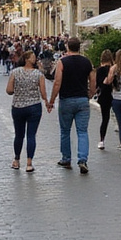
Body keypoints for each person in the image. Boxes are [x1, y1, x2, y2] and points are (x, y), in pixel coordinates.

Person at [47, 37, 95, 173]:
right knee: (82, 131)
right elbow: (93, 80)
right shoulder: (87, 62)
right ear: (79, 47)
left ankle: (66, 159)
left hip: (66, 100)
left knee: (65, 131)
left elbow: (57, 83)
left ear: (67, 47)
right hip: (82, 100)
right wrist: (90, 94)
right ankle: (83, 159)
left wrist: (51, 101)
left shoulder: (62, 62)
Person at [7, 51, 48, 171]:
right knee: (31, 135)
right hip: (34, 106)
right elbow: (43, 92)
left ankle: (16, 160)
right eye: (33, 57)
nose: (35, 59)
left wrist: (19, 90)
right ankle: (29, 163)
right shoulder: (38, 74)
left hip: (18, 107)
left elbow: (9, 90)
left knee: (19, 135)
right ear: (26, 59)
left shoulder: (15, 72)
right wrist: (47, 102)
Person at [94, 50, 114, 151]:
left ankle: (102, 140)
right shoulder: (114, 69)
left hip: (104, 96)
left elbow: (97, 84)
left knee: (105, 118)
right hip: (115, 95)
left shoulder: (99, 70)